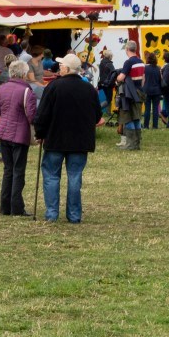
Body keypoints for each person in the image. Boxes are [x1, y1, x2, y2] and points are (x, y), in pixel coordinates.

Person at [34, 53, 99, 223]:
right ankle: (74, 215)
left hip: (55, 139)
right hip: (80, 141)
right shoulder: (89, 89)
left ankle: (52, 213)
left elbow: (42, 114)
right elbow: (97, 114)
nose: (59, 67)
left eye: (62, 66)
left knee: (51, 175)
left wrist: (39, 133)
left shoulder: (54, 87)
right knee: (75, 176)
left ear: (68, 69)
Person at [0, 60, 38, 215]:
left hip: (3, 132)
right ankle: (17, 208)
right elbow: (32, 116)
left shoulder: (2, 88)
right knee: (18, 171)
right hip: (20, 135)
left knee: (8, 170)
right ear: (24, 74)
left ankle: (5, 207)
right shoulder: (27, 91)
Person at [114, 41, 145, 150]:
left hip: (130, 94)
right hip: (139, 92)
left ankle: (130, 144)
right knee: (136, 117)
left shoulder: (128, 62)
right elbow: (143, 79)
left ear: (127, 49)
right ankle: (136, 143)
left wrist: (117, 78)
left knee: (128, 118)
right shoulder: (141, 62)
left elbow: (121, 78)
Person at [142, 52, 162, 130]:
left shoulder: (145, 68)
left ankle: (146, 126)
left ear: (148, 59)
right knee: (155, 109)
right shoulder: (159, 68)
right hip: (157, 91)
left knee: (147, 109)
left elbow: (143, 80)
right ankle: (155, 126)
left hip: (147, 90)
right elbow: (161, 79)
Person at [97, 47, 116, 121]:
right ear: (110, 56)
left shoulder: (102, 62)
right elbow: (114, 73)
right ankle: (98, 109)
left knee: (108, 98)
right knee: (109, 99)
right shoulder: (109, 64)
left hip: (102, 83)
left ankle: (108, 113)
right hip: (108, 84)